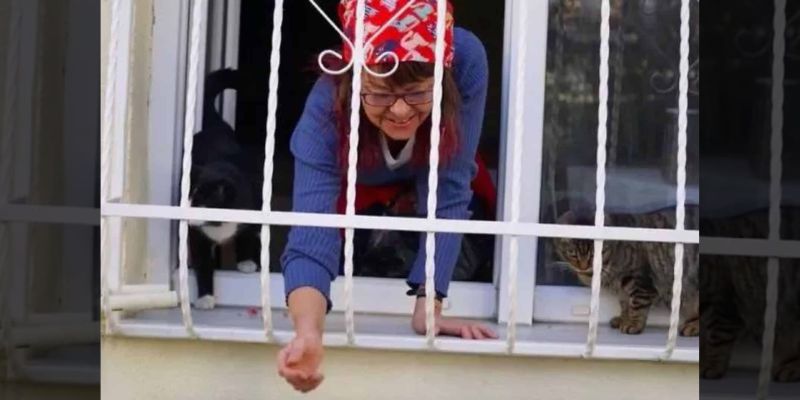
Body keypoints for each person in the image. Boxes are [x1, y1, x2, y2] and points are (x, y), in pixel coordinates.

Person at [277, 0, 496, 392]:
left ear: (443, 81)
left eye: (415, 93)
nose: (398, 111)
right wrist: (308, 334)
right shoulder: (325, 110)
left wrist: (428, 310)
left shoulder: (465, 61)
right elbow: (313, 233)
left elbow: (449, 186)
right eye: (378, 94)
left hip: (431, 176)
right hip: (361, 186)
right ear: (353, 82)